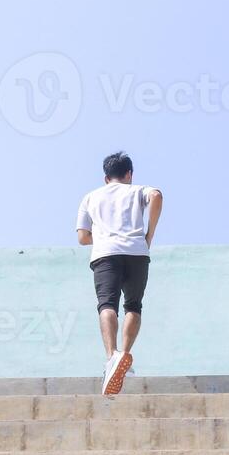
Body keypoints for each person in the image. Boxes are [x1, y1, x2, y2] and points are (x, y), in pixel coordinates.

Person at [76, 152, 164, 396]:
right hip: (137, 251)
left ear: (106, 178)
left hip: (105, 253)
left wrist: (103, 235)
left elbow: (82, 237)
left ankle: (111, 356)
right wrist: (149, 234)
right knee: (133, 306)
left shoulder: (91, 197)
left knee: (107, 305)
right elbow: (156, 195)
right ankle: (124, 355)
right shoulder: (136, 190)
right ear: (129, 174)